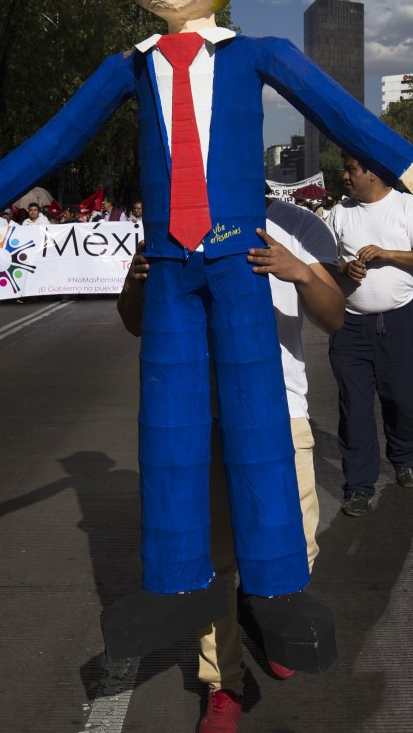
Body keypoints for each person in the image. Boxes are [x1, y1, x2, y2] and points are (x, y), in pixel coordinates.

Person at [0, 0, 413, 661]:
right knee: (169, 429)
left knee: (257, 426)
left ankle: (280, 591)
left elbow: (337, 111)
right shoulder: (130, 67)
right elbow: (59, 139)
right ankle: (175, 588)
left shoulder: (261, 55)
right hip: (172, 269)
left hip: (239, 262)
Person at [118, 197, 343, 733]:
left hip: (280, 415)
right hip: (202, 417)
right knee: (216, 562)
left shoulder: (299, 223)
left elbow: (334, 316)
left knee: (299, 544)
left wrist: (300, 272)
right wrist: (137, 279)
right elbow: (134, 323)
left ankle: (268, 610)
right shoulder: (173, 220)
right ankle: (223, 683)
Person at [325, 156, 413, 518]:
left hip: (401, 322)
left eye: (351, 170)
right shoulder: (339, 213)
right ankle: (358, 486)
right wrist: (344, 268)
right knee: (355, 409)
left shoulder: (405, 205)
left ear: (372, 172)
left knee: (406, 400)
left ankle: (404, 457)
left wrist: (386, 254)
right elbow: (324, 264)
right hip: (351, 326)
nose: (344, 176)